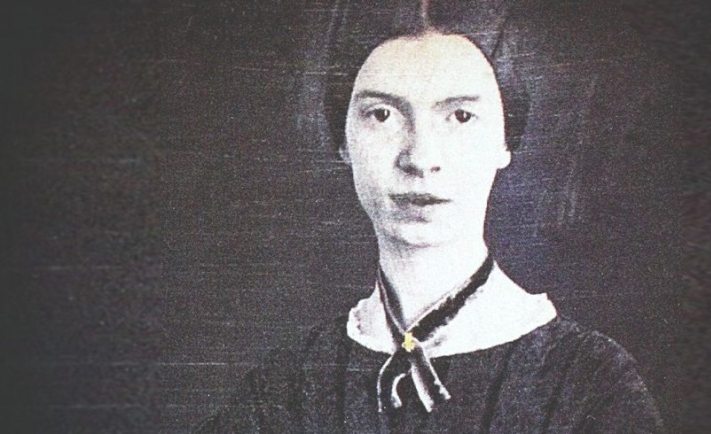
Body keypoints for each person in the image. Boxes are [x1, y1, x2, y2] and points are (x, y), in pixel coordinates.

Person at [197, 2, 662, 432]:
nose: (420, 158)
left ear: (505, 140)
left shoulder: (589, 382)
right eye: (382, 115)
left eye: (460, 116)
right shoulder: (286, 386)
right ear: (342, 141)